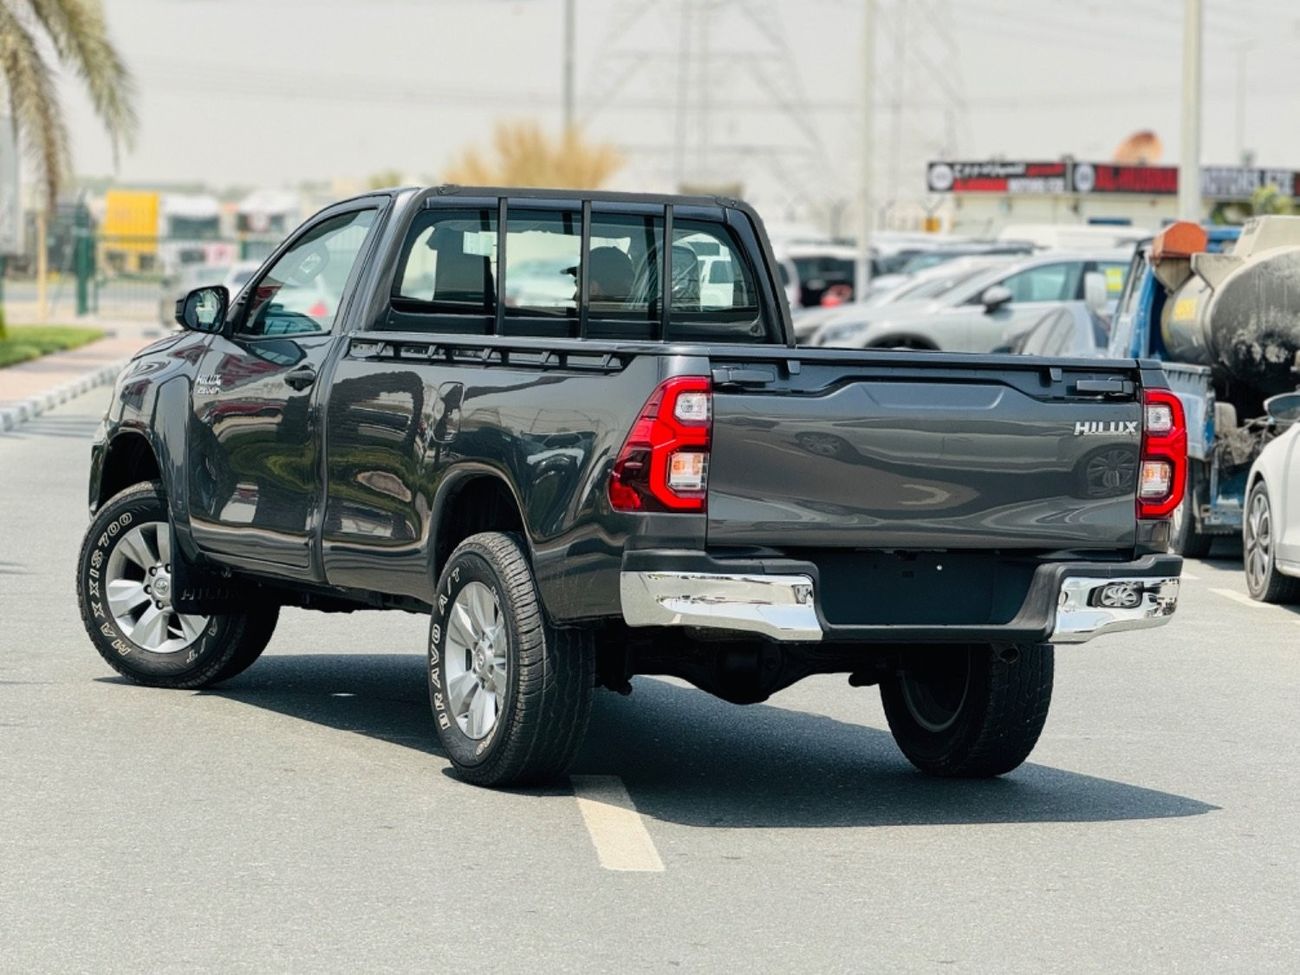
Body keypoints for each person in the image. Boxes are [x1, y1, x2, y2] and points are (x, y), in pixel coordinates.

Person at [567, 247, 635, 305]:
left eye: (578, 285)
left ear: (593, 288)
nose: (574, 295)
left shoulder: (582, 319)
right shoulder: (634, 316)